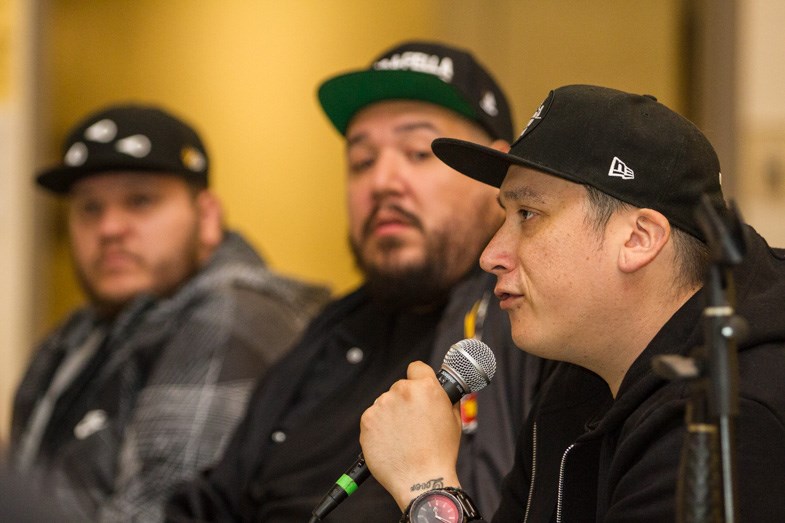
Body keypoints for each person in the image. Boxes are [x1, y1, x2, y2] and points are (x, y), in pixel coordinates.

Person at [359, 84, 785, 522]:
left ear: (638, 239)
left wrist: (428, 488)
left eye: (528, 214)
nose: (490, 256)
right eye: (505, 215)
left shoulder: (735, 418)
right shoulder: (582, 376)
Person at [165, 41, 546, 522]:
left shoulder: (529, 328)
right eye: (362, 161)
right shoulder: (330, 330)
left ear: (494, 175)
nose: (383, 181)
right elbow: (211, 502)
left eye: (417, 152)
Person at [10, 104, 330, 521]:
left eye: (140, 201)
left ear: (209, 217)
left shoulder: (228, 316)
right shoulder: (77, 334)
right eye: (89, 207)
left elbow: (160, 514)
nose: (109, 228)